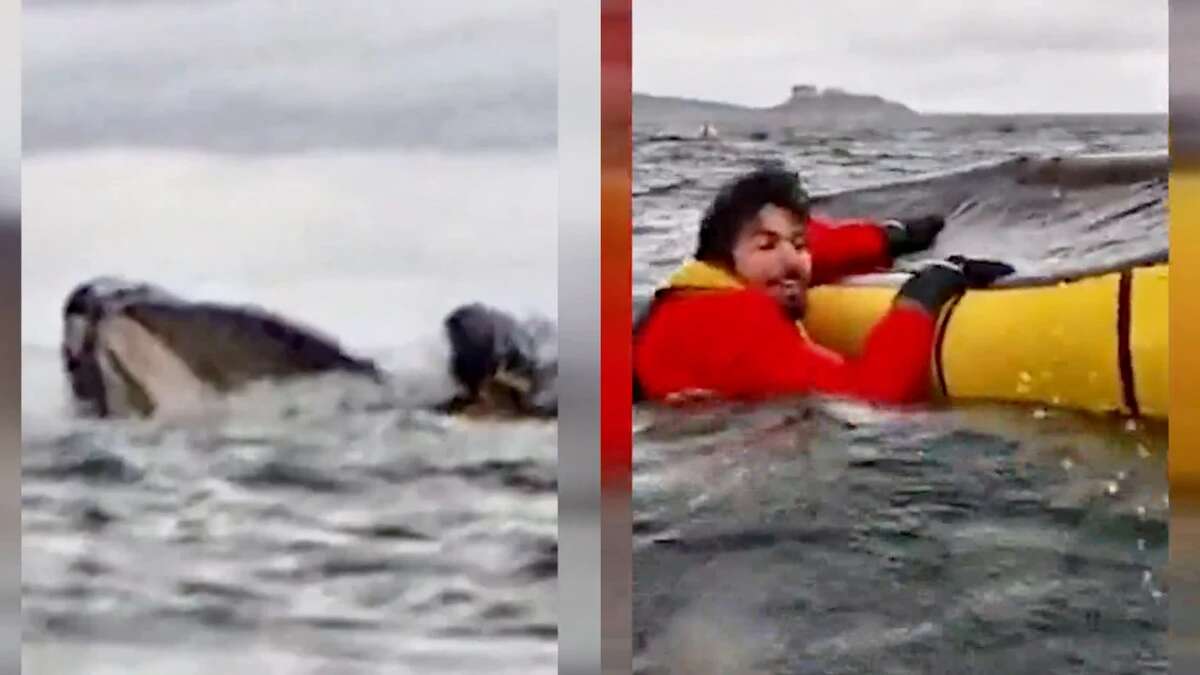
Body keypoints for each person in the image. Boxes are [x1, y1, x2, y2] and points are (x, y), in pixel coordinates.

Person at [633, 167, 1013, 406]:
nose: (790, 260)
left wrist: (891, 239)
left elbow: (818, 246)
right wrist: (923, 295)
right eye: (766, 245)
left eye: (797, 245)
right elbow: (874, 394)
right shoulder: (737, 320)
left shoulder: (696, 291)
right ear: (723, 258)